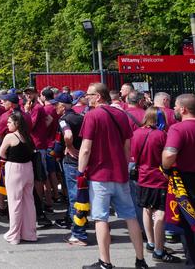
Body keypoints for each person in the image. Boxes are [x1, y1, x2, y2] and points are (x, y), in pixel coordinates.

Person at [78, 83, 147, 269]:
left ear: (98, 97)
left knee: (100, 218)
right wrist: (123, 165)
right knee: (130, 216)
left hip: (99, 174)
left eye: (89, 94)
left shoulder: (92, 115)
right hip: (120, 174)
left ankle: (105, 262)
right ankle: (140, 259)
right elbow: (127, 145)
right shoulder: (121, 114)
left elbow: (85, 148)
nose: (87, 98)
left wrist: (80, 171)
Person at [162, 94, 195, 269]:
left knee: (191, 227)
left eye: (175, 106)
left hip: (186, 183)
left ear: (183, 109)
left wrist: (165, 167)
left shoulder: (178, 129)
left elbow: (170, 154)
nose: (173, 109)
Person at [132, 108, 181, 263]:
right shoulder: (161, 135)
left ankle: (151, 243)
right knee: (160, 213)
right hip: (159, 177)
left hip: (142, 176)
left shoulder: (137, 133)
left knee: (146, 209)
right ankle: (159, 251)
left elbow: (133, 155)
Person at [55, 92, 89, 246]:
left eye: (56, 104)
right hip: (84, 160)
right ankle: (80, 224)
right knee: (82, 195)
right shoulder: (81, 117)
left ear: (62, 107)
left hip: (72, 161)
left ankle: (78, 233)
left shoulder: (63, 119)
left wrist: (69, 146)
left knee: (75, 197)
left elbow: (67, 134)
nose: (55, 107)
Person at [0, 111, 36, 245]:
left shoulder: (10, 136)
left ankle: (14, 235)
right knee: (28, 202)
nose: (7, 124)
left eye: (9, 122)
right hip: (28, 169)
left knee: (15, 203)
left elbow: (1, 153)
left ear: (17, 123)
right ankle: (30, 233)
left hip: (15, 169)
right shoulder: (28, 136)